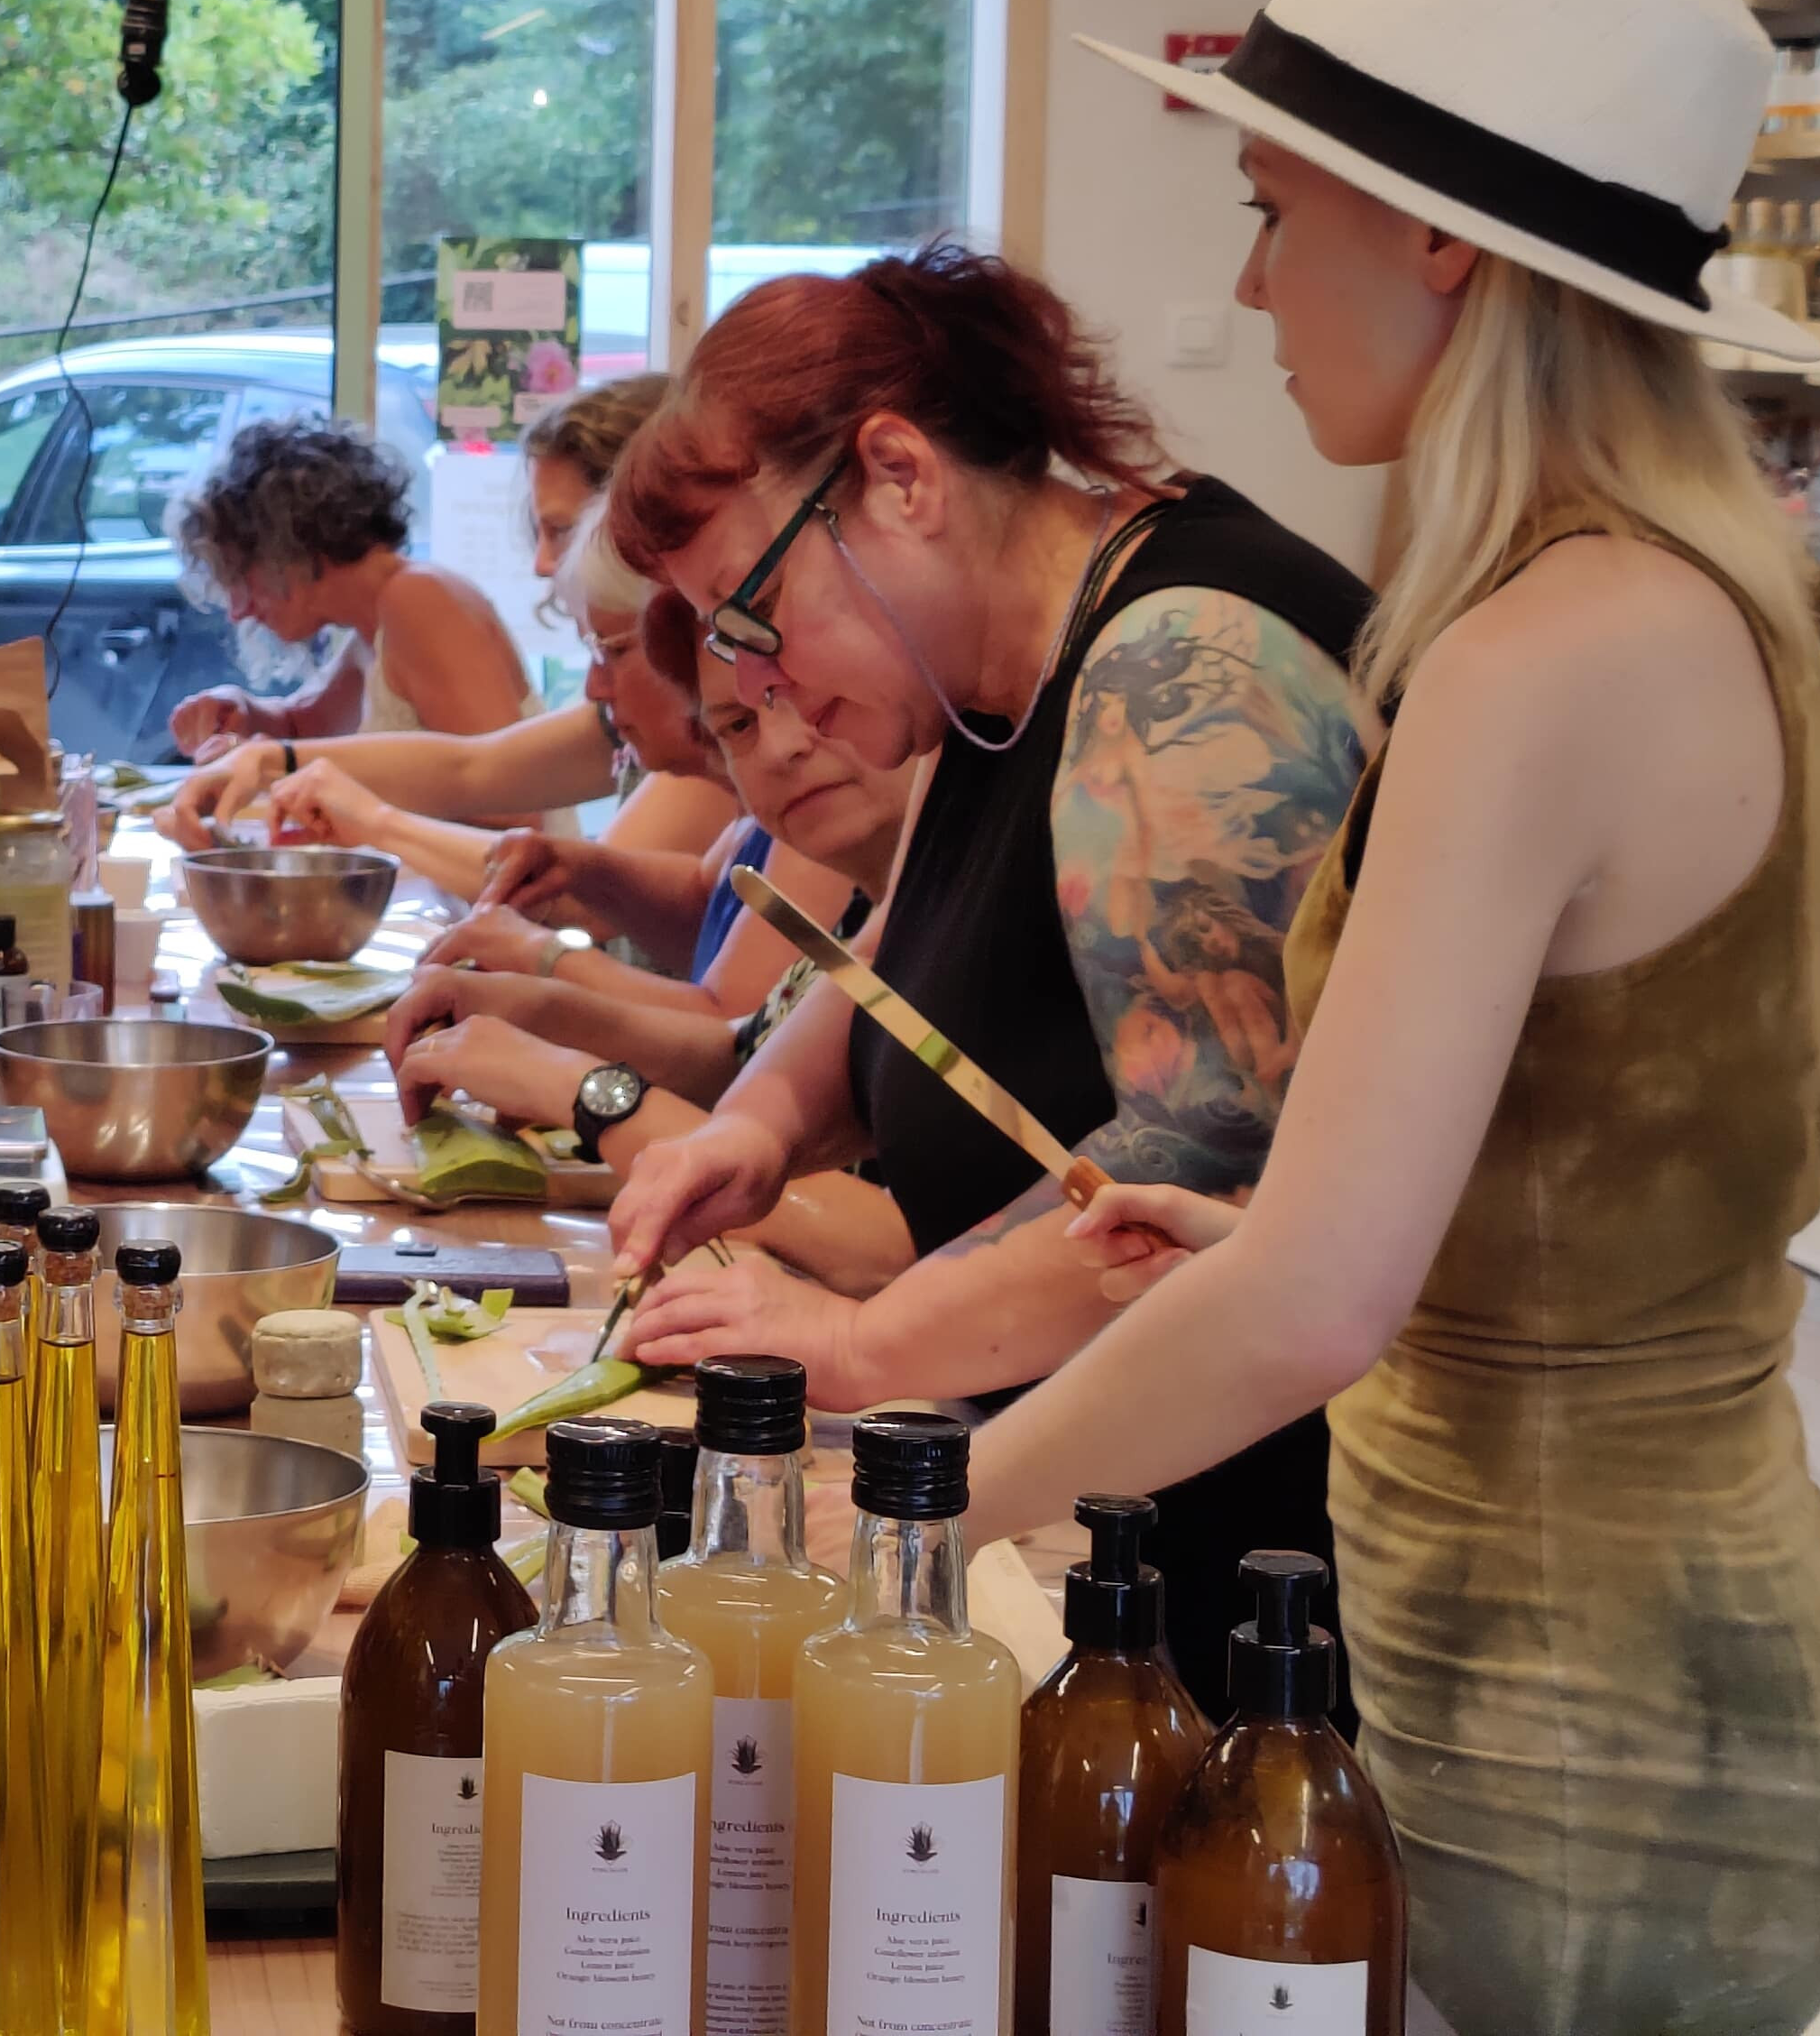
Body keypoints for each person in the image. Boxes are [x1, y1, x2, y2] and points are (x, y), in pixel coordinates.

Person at [967, 0, 1820, 2031]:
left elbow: (1315, 1297)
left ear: (1437, 236)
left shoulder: (1544, 650)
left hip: (1574, 1723)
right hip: (1598, 1641)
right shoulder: (1682, 602)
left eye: (1274, 206)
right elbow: (1597, 1163)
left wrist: (920, 1504)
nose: (1249, 282)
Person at [593, 243, 1374, 1722]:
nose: (747, 688)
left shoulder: (1178, 669)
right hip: (1095, 1510)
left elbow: (1196, 1167)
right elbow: (901, 965)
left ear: (899, 475)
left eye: (750, 617)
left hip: (1257, 1585)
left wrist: (860, 1345)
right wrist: (755, 1129)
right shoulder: (987, 683)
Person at [392, 585, 920, 1296]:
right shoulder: (879, 898)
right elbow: (745, 1055)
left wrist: (583, 1089)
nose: (785, 745)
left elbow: (899, 1249)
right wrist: (547, 1016)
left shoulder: (968, 900)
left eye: (818, 701)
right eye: (737, 725)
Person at [156, 380, 728, 860]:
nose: (542, 565)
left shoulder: (717, 730)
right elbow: (470, 769)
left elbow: (532, 837)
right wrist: (265, 749)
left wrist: (364, 816)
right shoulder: (379, 619)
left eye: (615, 651)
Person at [162, 411, 538, 761]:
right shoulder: (373, 623)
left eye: (242, 577)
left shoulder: (419, 599)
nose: (238, 610)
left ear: (287, 548)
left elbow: (513, 808)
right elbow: (305, 727)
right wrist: (245, 710)